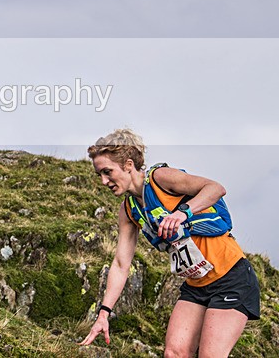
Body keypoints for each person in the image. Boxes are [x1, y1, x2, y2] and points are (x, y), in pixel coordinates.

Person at [81, 129, 260, 356]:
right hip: (196, 285)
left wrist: (183, 213)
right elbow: (120, 264)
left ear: (128, 165)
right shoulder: (129, 211)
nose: (104, 181)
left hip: (231, 278)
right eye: (100, 175)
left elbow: (215, 188)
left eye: (107, 172)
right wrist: (104, 313)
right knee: (174, 353)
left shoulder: (160, 179)